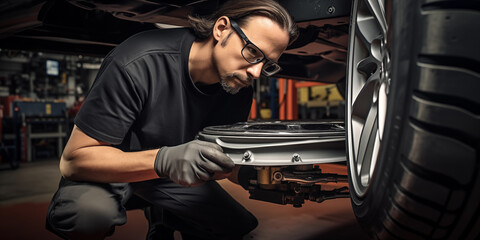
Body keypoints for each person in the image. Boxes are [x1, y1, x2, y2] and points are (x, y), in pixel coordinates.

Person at [46, 0, 298, 239]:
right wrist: (164, 159)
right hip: (109, 171)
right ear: (221, 29)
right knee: (89, 216)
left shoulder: (238, 86)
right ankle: (157, 212)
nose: (255, 71)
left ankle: (163, 216)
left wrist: (256, 174)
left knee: (234, 227)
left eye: (266, 64)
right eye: (252, 51)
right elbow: (73, 161)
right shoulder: (138, 62)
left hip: (168, 177)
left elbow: (219, 160)